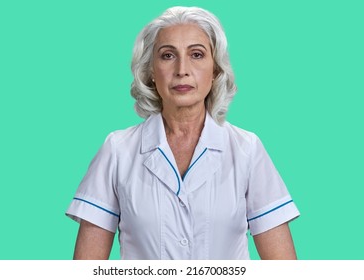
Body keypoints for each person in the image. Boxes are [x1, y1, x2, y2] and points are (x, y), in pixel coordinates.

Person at [66, 6, 300, 260]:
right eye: (167, 55)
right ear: (151, 72)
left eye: (197, 55)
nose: (182, 69)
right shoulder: (118, 150)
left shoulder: (247, 149)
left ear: (216, 70)